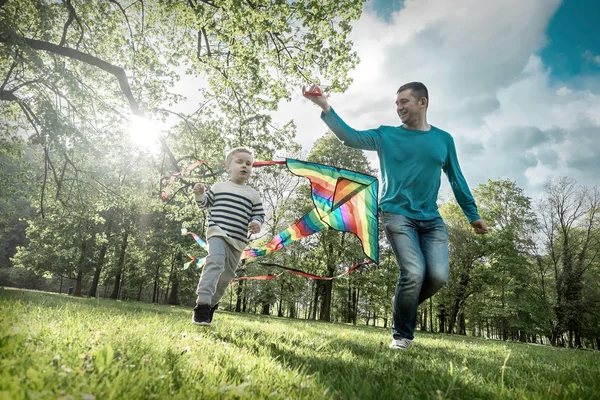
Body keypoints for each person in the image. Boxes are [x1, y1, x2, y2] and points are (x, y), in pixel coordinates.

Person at [303, 82, 488, 349]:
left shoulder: (444, 139)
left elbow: (456, 178)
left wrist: (473, 215)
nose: (399, 107)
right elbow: (350, 137)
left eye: (405, 102)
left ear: (422, 102)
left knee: (437, 277)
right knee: (413, 271)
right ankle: (402, 336)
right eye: (397, 103)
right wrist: (324, 106)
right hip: (396, 213)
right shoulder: (386, 135)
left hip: (431, 219)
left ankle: (404, 301)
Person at [191, 147, 264, 326]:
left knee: (226, 276)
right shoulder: (219, 187)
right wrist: (199, 194)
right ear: (228, 167)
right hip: (217, 233)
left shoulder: (253, 194)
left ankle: (211, 305)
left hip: (238, 241)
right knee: (214, 263)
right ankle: (202, 305)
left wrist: (257, 223)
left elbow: (259, 214)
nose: (244, 166)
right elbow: (204, 204)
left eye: (249, 163)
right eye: (239, 162)